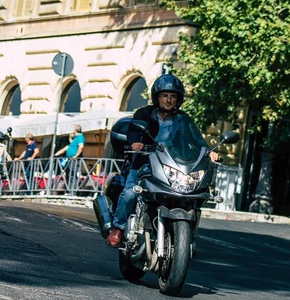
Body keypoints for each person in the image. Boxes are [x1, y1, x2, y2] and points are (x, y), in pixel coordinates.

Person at [106, 74, 219, 247]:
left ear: (178, 99)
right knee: (130, 193)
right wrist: (135, 143)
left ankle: (185, 237)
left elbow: (195, 140)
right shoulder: (143, 113)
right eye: (165, 96)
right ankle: (119, 228)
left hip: (170, 164)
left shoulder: (183, 119)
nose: (168, 100)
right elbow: (134, 132)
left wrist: (208, 152)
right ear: (157, 97)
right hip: (144, 163)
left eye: (173, 96)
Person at [54, 125, 85, 193]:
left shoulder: (80, 137)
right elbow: (68, 147)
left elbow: (81, 147)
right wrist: (54, 155)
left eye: (73, 129)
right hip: (69, 159)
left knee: (73, 175)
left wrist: (76, 155)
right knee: (69, 175)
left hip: (74, 159)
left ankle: (72, 192)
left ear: (75, 130)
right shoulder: (76, 138)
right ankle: (69, 190)